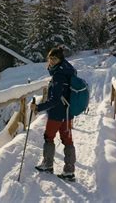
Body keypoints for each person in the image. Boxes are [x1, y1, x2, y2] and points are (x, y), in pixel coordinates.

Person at [30, 46, 77, 181]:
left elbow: (55, 100)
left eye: (54, 59)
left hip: (57, 114)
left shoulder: (59, 75)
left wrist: (39, 107)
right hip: (67, 113)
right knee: (68, 140)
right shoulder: (68, 70)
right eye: (50, 58)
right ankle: (69, 171)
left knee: (48, 137)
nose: (51, 61)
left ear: (60, 59)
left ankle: (47, 164)